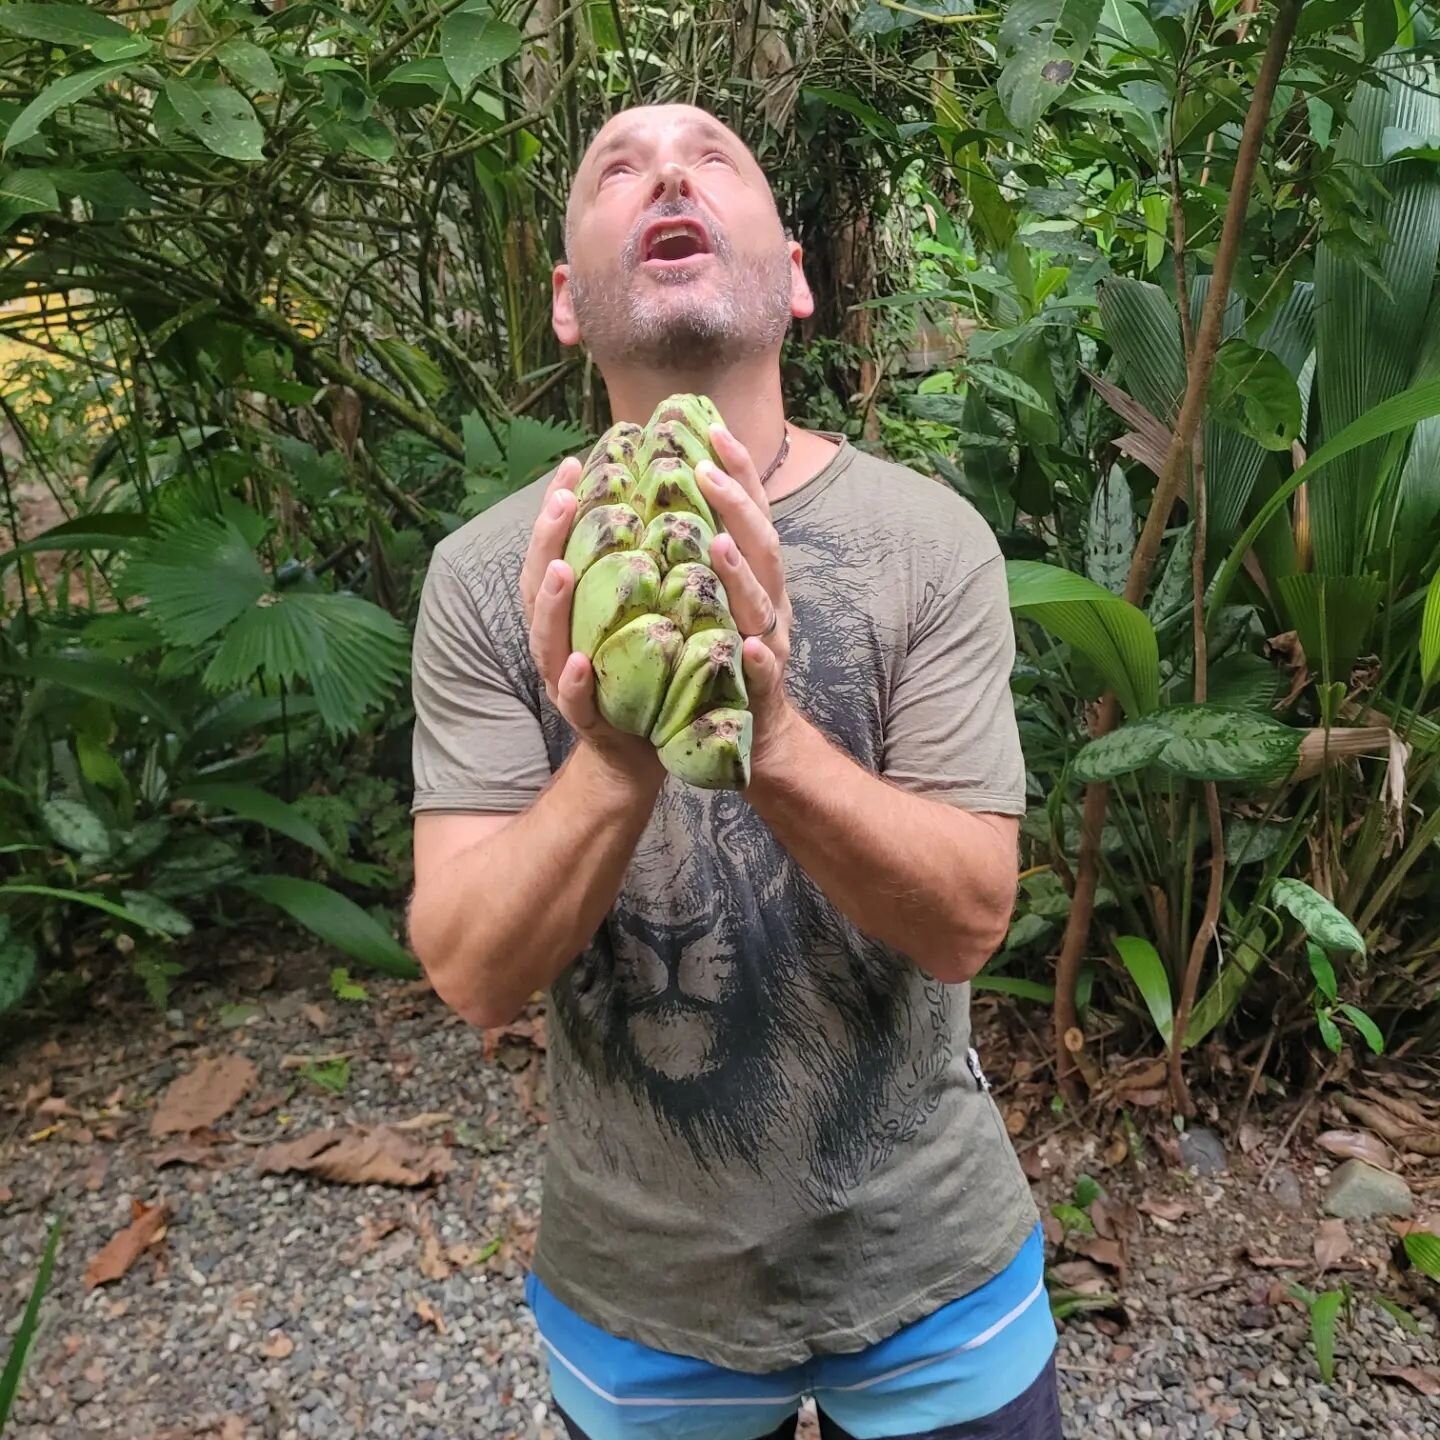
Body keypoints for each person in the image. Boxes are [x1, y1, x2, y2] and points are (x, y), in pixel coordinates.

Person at [406, 102, 1061, 1440]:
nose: (665, 175)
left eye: (712, 156)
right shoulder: (486, 578)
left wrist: (766, 739)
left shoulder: (928, 543)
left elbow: (970, 919)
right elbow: (473, 970)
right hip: (644, 1298)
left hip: (931, 1267)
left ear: (797, 276)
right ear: (567, 305)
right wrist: (611, 756)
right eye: (617, 167)